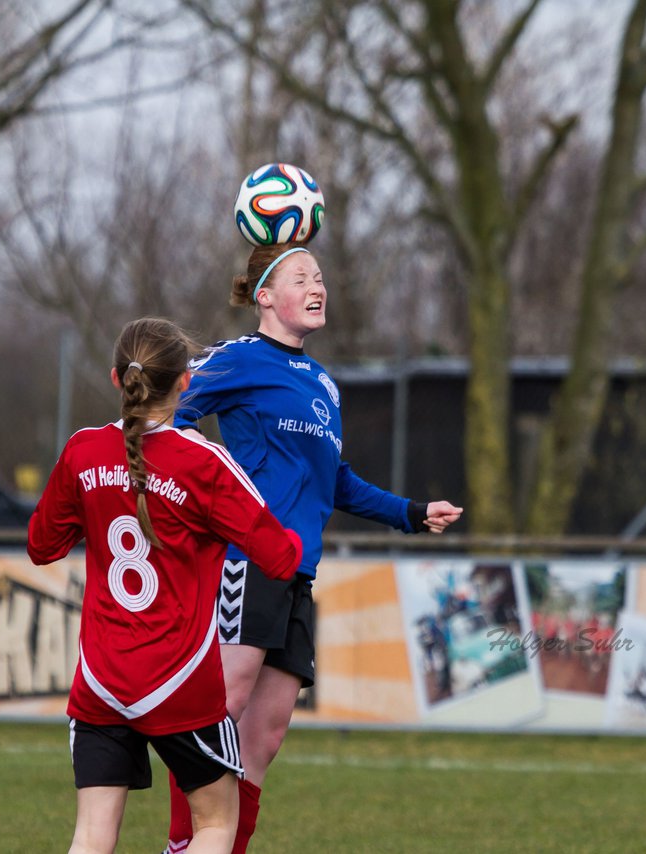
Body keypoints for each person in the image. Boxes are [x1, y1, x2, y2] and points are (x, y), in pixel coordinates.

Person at [164, 242, 463, 853]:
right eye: (301, 277)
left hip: (298, 573)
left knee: (263, 738)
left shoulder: (324, 384)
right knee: (220, 705)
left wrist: (410, 513)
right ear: (265, 296)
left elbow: (336, 480)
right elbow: (170, 415)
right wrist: (212, 480)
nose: (317, 285)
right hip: (248, 561)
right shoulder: (239, 359)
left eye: (320, 276)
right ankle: (180, 844)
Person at [27, 317, 304, 854]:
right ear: (185, 383)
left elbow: (42, 546)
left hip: (102, 682)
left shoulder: (83, 451)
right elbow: (280, 556)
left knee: (90, 834)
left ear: (116, 379)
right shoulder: (202, 462)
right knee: (217, 827)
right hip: (180, 684)